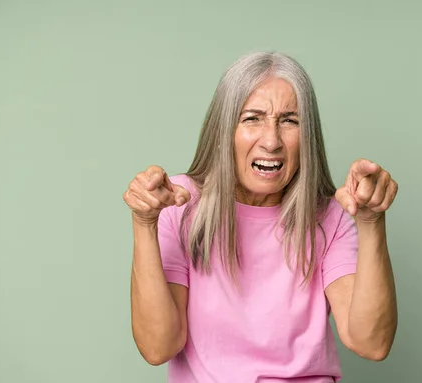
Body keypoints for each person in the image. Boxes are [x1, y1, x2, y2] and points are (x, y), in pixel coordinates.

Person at [122, 51, 399, 382]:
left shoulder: (329, 217)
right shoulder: (179, 205)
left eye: (289, 121)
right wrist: (144, 223)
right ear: (224, 130)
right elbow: (158, 348)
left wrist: (370, 221)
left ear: (307, 137)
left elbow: (372, 343)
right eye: (252, 118)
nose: (271, 141)